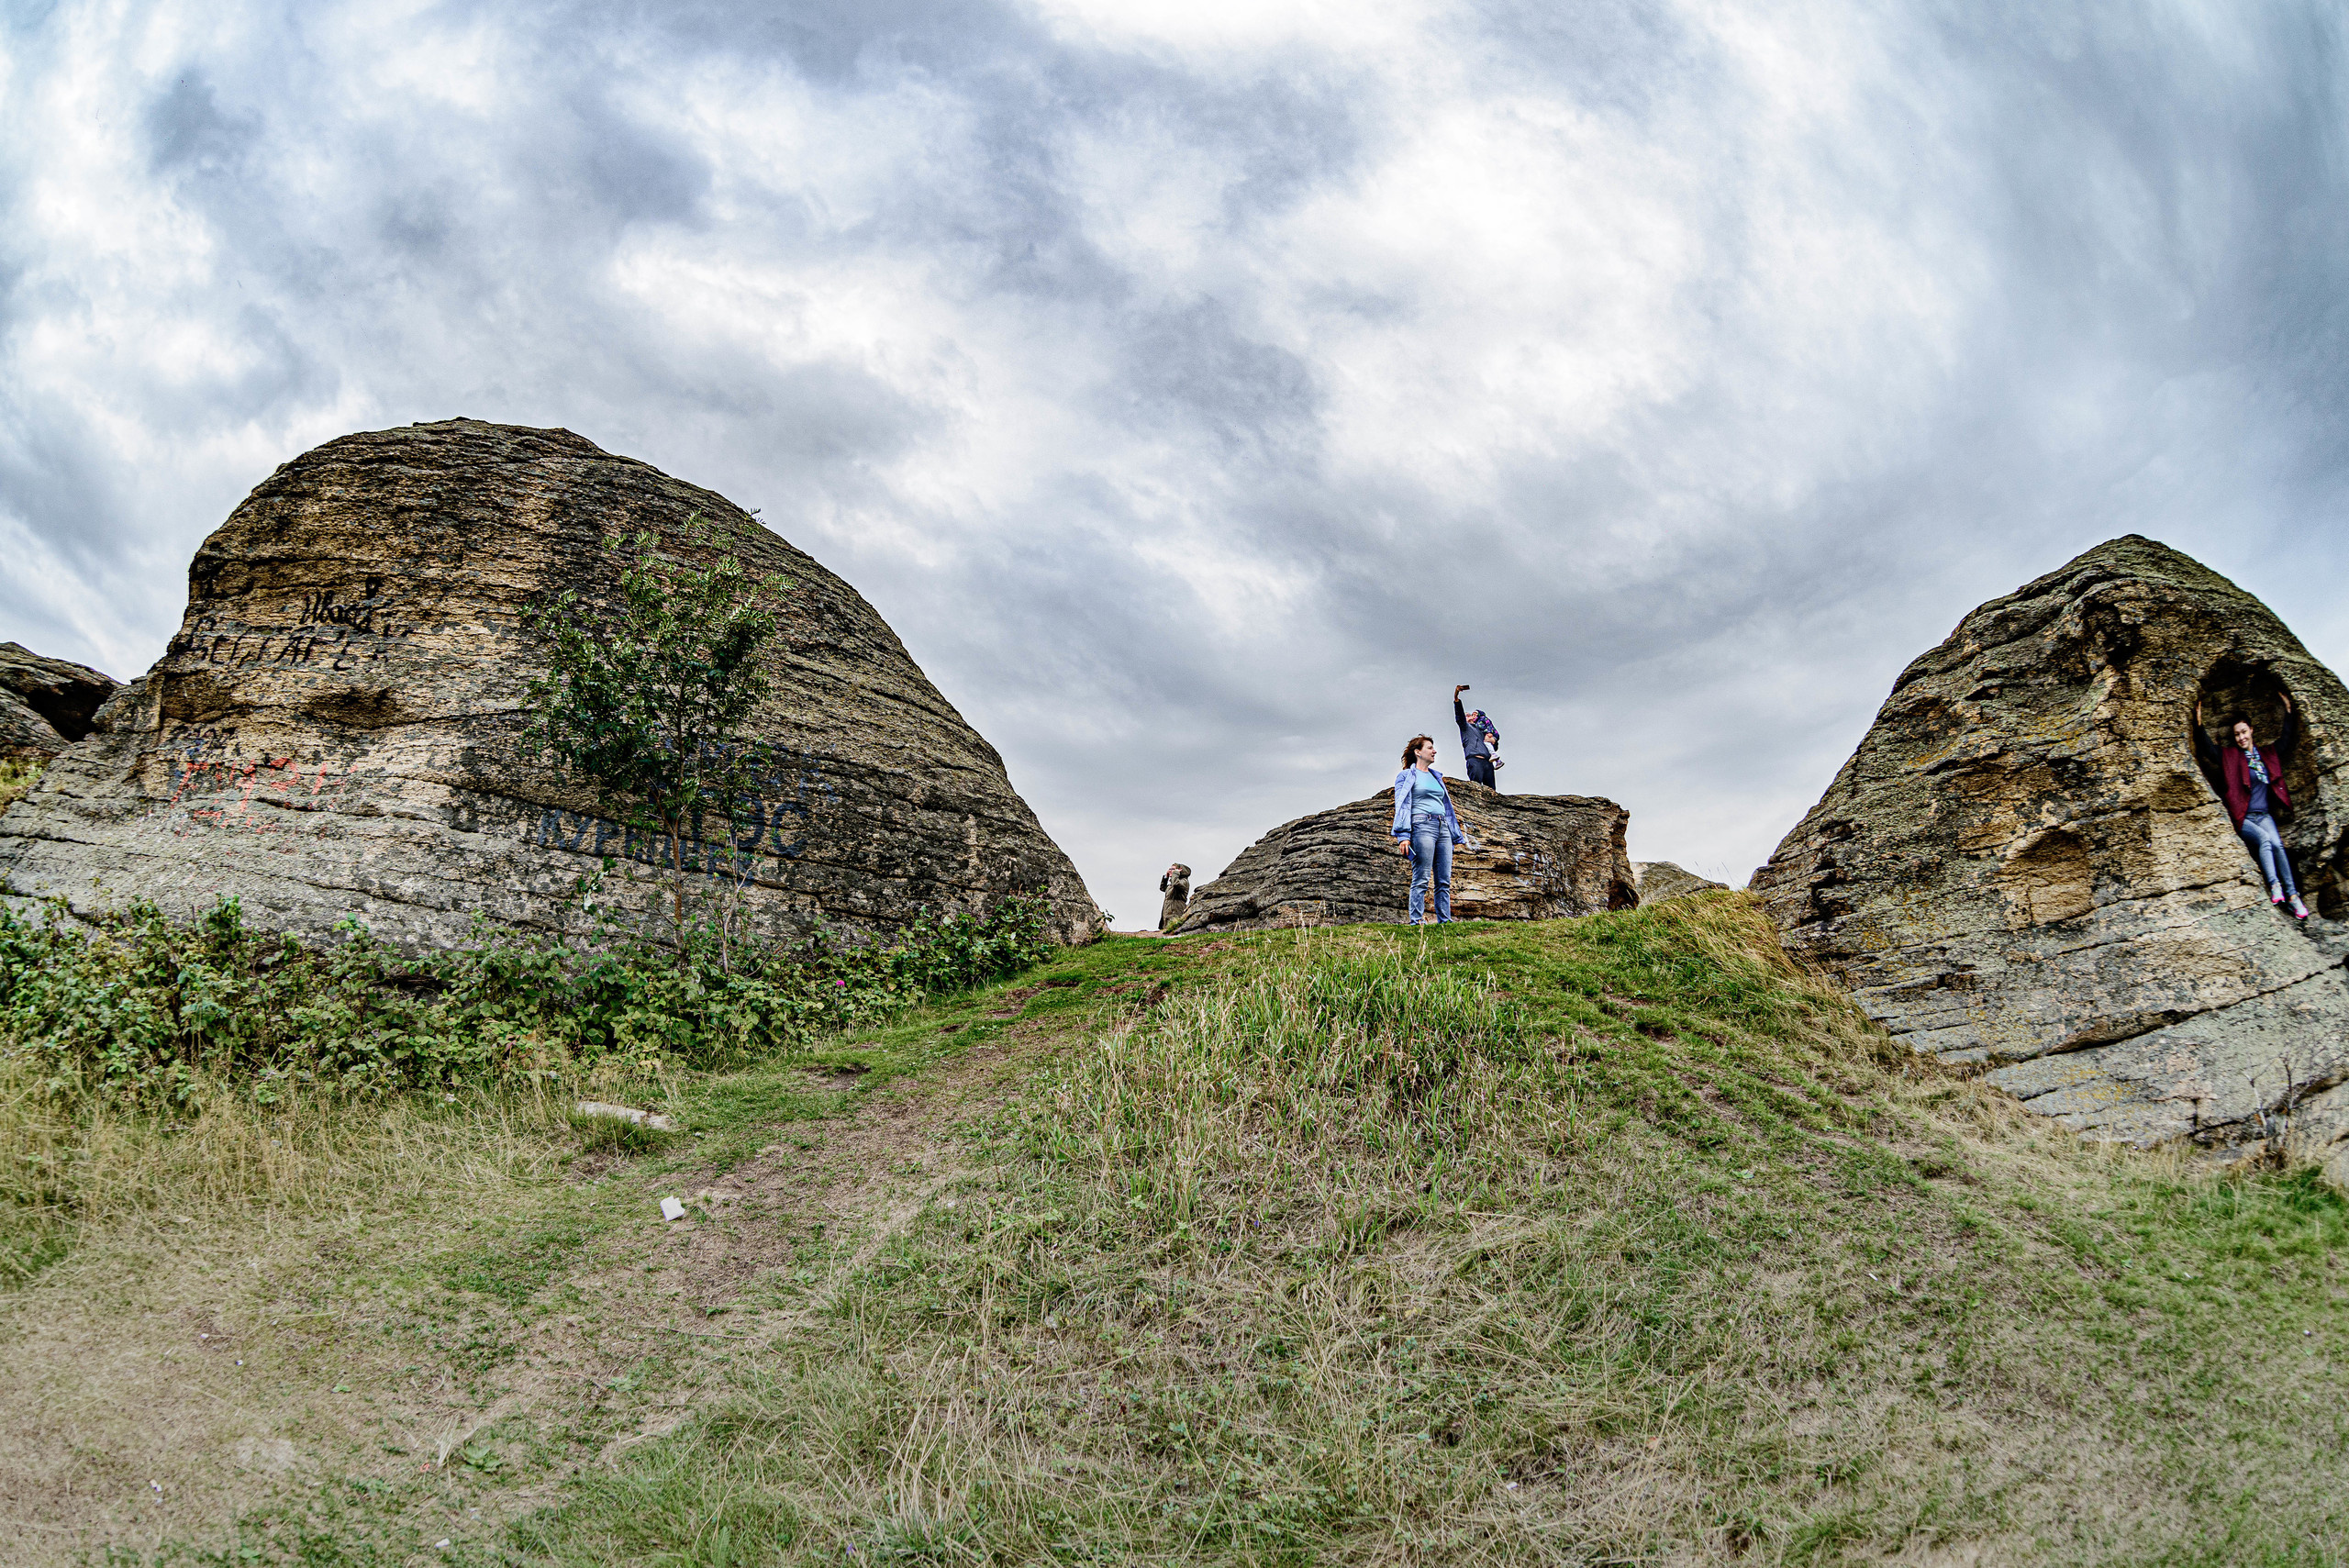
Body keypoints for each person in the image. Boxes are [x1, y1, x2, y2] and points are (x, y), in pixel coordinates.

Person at [2192, 692, 2309, 920]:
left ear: (2251, 730)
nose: (2241, 737)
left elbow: (2285, 740)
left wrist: (2288, 711)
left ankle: (2294, 897)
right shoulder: (2231, 757)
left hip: (2264, 815)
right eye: (2237, 734)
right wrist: (2198, 724)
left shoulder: (2266, 755)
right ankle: (2275, 886)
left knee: (2278, 845)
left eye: (2244, 732)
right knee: (2264, 840)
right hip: (2244, 817)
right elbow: (2209, 750)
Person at [1389, 733, 1467, 924]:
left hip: (1443, 828)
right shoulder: (1406, 776)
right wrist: (1403, 835)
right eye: (1430, 748)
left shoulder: (1436, 776)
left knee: (1444, 880)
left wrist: (1453, 831)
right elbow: (1402, 806)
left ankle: (1445, 921)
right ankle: (1416, 921)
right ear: (1418, 752)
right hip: (1422, 826)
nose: (1434, 751)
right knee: (1421, 877)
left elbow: (1446, 806)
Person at [1453, 684, 1500, 789]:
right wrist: (1456, 698)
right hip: (1474, 760)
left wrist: (1494, 740)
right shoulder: (1465, 727)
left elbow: (1494, 746)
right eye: (1467, 715)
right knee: (1475, 788)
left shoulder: (1481, 729)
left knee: (1491, 791)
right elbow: (1459, 715)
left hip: (1487, 762)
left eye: (1470, 714)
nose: (1469, 715)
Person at [1157, 863, 1191, 932]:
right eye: (1169, 869)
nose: (1170, 870)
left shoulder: (1184, 881)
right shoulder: (1171, 884)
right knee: (1166, 929)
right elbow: (1163, 888)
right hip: (1168, 909)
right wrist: (1166, 877)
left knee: (1175, 928)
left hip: (1176, 908)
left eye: (1173, 869)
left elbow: (1176, 884)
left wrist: (1175, 874)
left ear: (1180, 871)